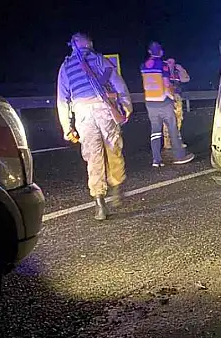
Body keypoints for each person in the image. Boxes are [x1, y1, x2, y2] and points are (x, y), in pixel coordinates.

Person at [57, 33, 133, 221]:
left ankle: (100, 203)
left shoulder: (66, 67)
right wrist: (127, 105)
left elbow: (62, 99)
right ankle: (116, 187)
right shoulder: (99, 59)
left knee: (93, 156)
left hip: (82, 113)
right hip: (103, 109)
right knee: (113, 147)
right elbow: (117, 83)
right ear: (87, 43)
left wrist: (67, 126)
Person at [140, 41, 195, 167]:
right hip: (163, 101)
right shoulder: (162, 65)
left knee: (155, 131)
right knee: (172, 128)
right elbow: (166, 83)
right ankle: (180, 156)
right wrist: (171, 96)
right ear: (161, 52)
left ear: (149, 51)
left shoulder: (143, 65)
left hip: (150, 101)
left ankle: (156, 160)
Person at [163, 57, 190, 149]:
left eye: (173, 62)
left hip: (177, 97)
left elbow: (186, 79)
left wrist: (181, 69)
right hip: (166, 98)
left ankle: (177, 141)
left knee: (178, 120)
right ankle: (167, 142)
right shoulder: (163, 72)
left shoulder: (176, 73)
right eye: (170, 62)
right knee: (167, 121)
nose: (172, 64)